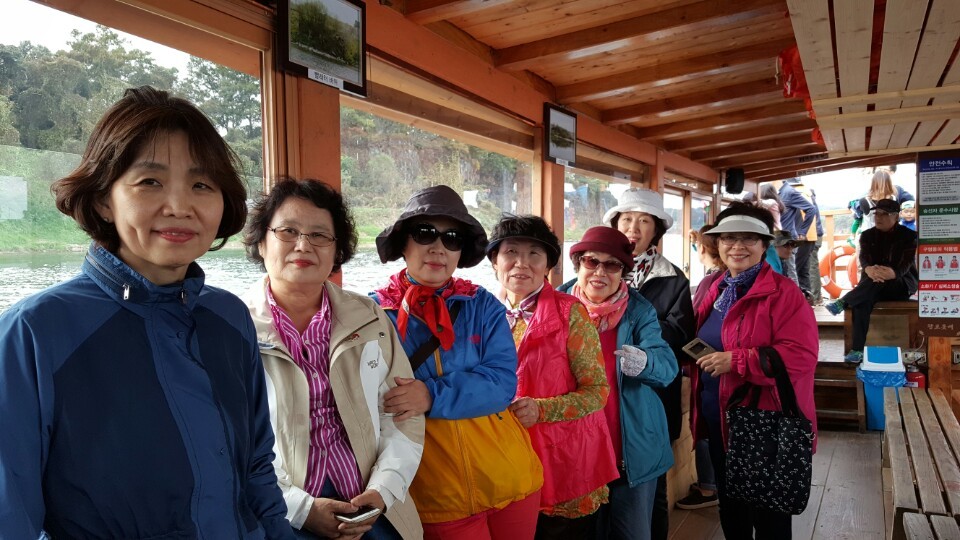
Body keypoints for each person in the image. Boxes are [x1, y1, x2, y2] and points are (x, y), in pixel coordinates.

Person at [0, 87, 293, 538]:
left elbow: (256, 466)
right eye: (150, 182)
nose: (179, 207)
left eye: (201, 185)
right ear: (104, 199)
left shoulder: (229, 317)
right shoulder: (34, 333)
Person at [242, 178, 424, 539]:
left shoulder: (369, 318)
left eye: (319, 235)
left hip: (371, 507)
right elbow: (228, 443)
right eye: (288, 231)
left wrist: (383, 491)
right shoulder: (234, 328)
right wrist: (301, 509)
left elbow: (403, 415)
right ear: (262, 242)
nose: (303, 245)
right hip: (279, 514)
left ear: (336, 250)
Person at [371, 185, 543, 539]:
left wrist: (430, 395)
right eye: (425, 233)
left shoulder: (482, 304)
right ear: (403, 242)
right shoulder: (373, 313)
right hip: (435, 493)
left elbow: (502, 382)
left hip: (511, 475)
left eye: (452, 238)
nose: (438, 247)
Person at [486, 215, 618, 538]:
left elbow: (597, 391)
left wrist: (541, 409)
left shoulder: (571, 312)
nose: (521, 263)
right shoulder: (482, 313)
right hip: (505, 460)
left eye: (534, 254)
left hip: (565, 462)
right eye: (511, 252)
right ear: (494, 261)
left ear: (547, 265)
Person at [693, 202, 819, 539]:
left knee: (770, 518)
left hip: (766, 423)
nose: (737, 246)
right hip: (719, 420)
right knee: (731, 510)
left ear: (765, 245)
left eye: (749, 238)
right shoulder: (711, 287)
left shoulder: (785, 293)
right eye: (728, 238)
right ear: (717, 244)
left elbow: (802, 356)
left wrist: (735, 361)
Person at [556, 226, 678, 540]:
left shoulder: (639, 311)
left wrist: (645, 362)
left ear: (623, 272)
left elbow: (667, 367)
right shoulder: (555, 308)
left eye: (612, 265)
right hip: (575, 449)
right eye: (591, 261)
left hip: (630, 447)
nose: (600, 272)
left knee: (632, 533)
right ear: (578, 264)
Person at [601, 188, 694, 539]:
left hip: (654, 394)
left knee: (651, 490)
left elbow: (680, 334)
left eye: (644, 221)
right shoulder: (595, 271)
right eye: (626, 219)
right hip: (606, 397)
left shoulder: (672, 278)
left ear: (656, 230)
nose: (633, 228)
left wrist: (636, 331)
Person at [826, 199, 919, 363]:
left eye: (884, 214)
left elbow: (905, 264)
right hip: (872, 283)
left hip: (900, 284)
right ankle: (857, 350)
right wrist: (868, 269)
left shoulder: (909, 236)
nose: (878, 217)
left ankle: (844, 302)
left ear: (896, 216)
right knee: (863, 300)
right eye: (876, 213)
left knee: (870, 287)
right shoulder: (867, 235)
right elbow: (864, 258)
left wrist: (893, 273)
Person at [677, 224, 722, 511]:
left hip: (708, 366)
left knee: (706, 424)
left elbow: (691, 322)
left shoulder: (710, 281)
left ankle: (708, 486)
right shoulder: (722, 279)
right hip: (717, 364)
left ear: (702, 248)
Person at [851, 169, 915, 235]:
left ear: (873, 183)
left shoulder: (864, 201)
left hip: (870, 237)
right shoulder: (894, 199)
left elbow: (858, 214)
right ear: (889, 183)